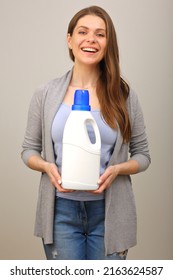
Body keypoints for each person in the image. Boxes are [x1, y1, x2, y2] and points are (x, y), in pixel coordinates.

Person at [21, 6, 151, 260]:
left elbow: (144, 155)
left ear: (108, 43)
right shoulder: (46, 94)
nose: (91, 39)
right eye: (83, 32)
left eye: (100, 34)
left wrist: (117, 170)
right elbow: (28, 150)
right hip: (61, 213)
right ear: (70, 40)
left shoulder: (124, 96)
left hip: (110, 214)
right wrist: (47, 167)